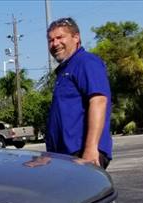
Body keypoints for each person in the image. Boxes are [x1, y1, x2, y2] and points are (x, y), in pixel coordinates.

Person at [45, 17, 113, 169]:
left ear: (76, 37)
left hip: (82, 153)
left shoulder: (86, 62)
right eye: (51, 40)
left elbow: (99, 101)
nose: (55, 44)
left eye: (60, 37)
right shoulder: (65, 70)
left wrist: (90, 149)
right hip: (65, 156)